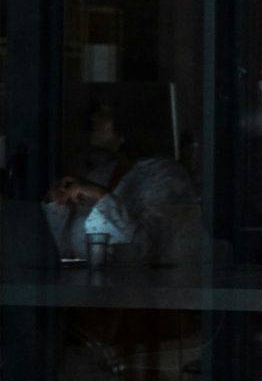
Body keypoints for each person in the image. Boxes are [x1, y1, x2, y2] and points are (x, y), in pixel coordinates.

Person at [43, 102, 199, 266]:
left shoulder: (166, 176)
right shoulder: (99, 175)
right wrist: (57, 205)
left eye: (104, 112)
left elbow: (145, 251)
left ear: (127, 124)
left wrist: (100, 195)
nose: (94, 118)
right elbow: (66, 252)